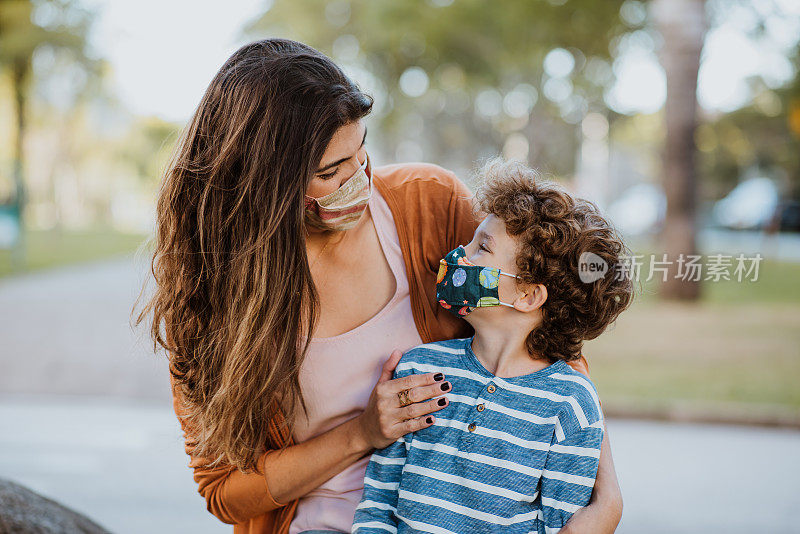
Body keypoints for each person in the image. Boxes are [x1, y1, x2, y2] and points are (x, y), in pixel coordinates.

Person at [136, 39, 623, 534]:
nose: (359, 180)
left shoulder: (428, 205)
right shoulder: (210, 301)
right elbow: (224, 492)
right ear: (263, 185)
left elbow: (545, 329)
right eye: (330, 172)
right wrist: (362, 433)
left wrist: (605, 501)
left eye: (361, 151)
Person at [352, 159, 633, 533]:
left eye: (482, 247)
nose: (459, 254)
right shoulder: (418, 370)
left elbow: (561, 524)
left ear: (529, 296)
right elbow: (378, 503)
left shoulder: (570, 404)